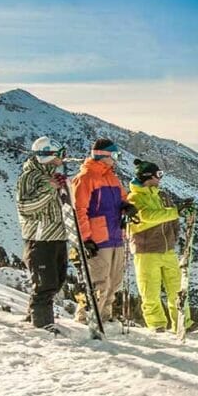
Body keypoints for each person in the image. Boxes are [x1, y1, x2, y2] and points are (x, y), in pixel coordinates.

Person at [127, 159, 195, 332]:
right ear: (148, 176)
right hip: (146, 250)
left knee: (177, 288)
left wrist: (174, 233)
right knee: (150, 290)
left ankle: (182, 322)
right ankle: (157, 324)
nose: (160, 178)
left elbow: (172, 218)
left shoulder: (161, 195)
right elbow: (147, 216)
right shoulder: (134, 198)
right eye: (158, 175)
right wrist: (174, 212)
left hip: (167, 249)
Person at [71, 137, 134, 324]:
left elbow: (123, 197)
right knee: (99, 282)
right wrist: (85, 239)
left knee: (114, 281)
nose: (116, 159)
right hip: (98, 238)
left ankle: (105, 318)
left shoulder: (111, 177)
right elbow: (79, 210)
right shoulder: (85, 178)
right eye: (114, 155)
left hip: (116, 235)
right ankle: (86, 319)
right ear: (103, 156)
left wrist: (126, 206)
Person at [15, 136, 69, 332]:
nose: (64, 158)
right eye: (60, 154)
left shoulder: (51, 176)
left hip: (58, 236)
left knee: (57, 280)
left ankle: (33, 318)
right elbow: (25, 207)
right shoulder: (29, 177)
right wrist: (49, 189)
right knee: (45, 283)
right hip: (40, 238)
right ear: (48, 155)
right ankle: (43, 325)